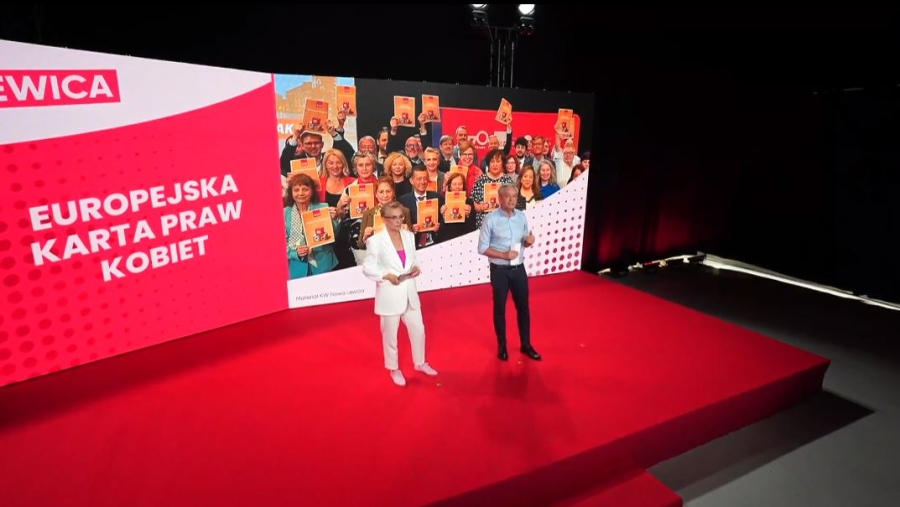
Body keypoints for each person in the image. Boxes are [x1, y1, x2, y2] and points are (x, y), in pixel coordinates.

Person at [362, 201, 439, 386]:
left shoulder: (409, 236)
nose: (398, 221)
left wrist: (416, 268)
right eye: (394, 218)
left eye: (400, 217)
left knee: (419, 330)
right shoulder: (375, 241)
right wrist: (385, 275)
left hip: (409, 292)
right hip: (390, 295)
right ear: (384, 219)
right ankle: (394, 368)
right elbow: (367, 268)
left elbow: (414, 259)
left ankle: (420, 362)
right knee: (390, 336)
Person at [476, 183, 541, 361]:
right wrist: (503, 255)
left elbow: (525, 239)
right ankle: (502, 346)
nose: (512, 199)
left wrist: (529, 241)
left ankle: (526, 345)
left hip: (519, 269)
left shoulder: (521, 216)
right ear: (500, 198)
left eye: (514, 196)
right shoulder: (490, 219)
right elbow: (482, 248)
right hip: (499, 271)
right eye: (508, 196)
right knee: (500, 309)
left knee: (524, 308)